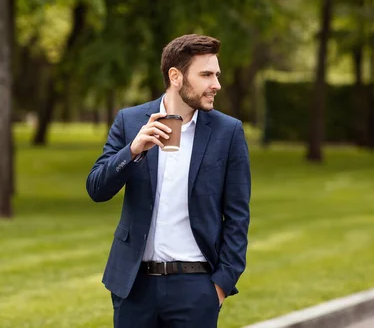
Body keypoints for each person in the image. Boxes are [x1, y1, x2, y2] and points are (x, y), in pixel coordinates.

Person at [86, 34, 251, 328]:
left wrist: (221, 285)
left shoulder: (228, 132)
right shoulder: (130, 121)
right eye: (206, 75)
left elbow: (238, 216)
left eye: (216, 74)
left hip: (196, 289)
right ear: (176, 76)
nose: (217, 84)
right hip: (134, 287)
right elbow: (96, 189)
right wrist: (133, 150)